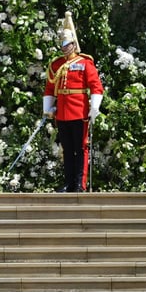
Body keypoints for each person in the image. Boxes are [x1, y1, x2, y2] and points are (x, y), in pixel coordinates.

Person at [43, 12, 104, 193]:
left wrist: (94, 107)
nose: (64, 48)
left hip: (79, 110)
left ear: (73, 44)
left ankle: (80, 183)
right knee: (67, 149)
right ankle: (69, 183)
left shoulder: (85, 63)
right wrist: (47, 109)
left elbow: (96, 87)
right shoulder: (56, 64)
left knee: (80, 148)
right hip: (62, 112)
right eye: (62, 44)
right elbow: (49, 88)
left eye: (67, 44)